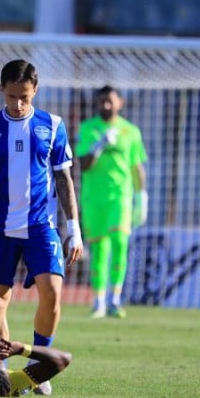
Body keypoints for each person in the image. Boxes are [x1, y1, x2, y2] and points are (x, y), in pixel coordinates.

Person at [0, 59, 83, 396]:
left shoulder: (52, 126)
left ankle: (37, 369)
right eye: (12, 97)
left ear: (35, 91)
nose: (17, 104)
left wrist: (73, 228)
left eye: (24, 97)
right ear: (2, 90)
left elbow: (63, 178)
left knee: (53, 294)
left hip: (41, 226)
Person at [75, 86, 148, 318]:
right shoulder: (87, 129)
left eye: (110, 101)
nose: (106, 106)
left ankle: (115, 299)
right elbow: (83, 165)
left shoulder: (131, 131)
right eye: (102, 102)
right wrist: (98, 145)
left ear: (120, 103)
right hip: (93, 199)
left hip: (121, 198)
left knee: (119, 242)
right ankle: (99, 302)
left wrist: (141, 196)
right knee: (100, 249)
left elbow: (137, 167)